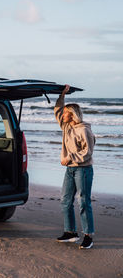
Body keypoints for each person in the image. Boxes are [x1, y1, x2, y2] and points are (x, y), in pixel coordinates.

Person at [54, 85, 95, 249]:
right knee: (65, 200)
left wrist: (70, 157)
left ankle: (88, 236)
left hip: (83, 169)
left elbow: (88, 152)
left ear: (73, 115)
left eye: (66, 113)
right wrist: (61, 95)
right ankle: (70, 232)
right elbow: (57, 110)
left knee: (84, 202)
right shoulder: (66, 127)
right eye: (64, 113)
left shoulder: (84, 130)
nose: (63, 115)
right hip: (70, 169)